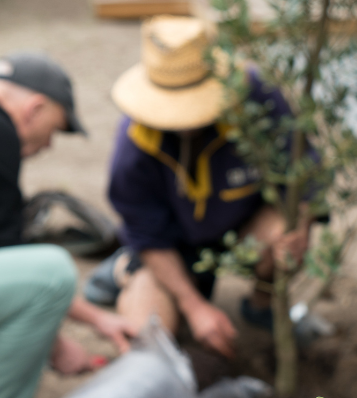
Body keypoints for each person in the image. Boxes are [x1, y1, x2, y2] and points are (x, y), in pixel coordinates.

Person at [85, 16, 323, 358]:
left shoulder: (257, 98)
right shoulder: (134, 144)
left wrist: (299, 227)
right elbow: (148, 232)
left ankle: (261, 307)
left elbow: (303, 173)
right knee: (149, 340)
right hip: (170, 243)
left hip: (242, 229)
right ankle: (128, 267)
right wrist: (194, 307)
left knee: (283, 230)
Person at [0, 52, 136, 398]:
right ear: (33, 109)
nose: (49, 146)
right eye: (55, 129)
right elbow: (21, 276)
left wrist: (95, 319)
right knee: (54, 269)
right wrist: (58, 344)